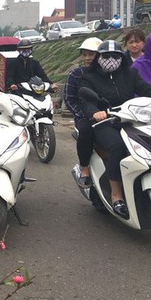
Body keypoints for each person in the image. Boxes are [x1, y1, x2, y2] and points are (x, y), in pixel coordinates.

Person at [79, 40, 151, 218]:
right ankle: (116, 194)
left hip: (131, 120)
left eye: (116, 56)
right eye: (106, 56)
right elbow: (86, 101)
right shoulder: (89, 77)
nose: (111, 60)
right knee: (118, 147)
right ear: (99, 57)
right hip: (104, 122)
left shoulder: (130, 73)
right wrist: (96, 112)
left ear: (122, 58)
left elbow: (147, 89)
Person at [63, 37, 102, 188]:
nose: (87, 58)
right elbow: (69, 99)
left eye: (91, 54)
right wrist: (82, 114)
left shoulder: (107, 73)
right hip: (85, 116)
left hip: (106, 114)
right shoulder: (76, 74)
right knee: (86, 131)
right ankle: (84, 169)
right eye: (84, 55)